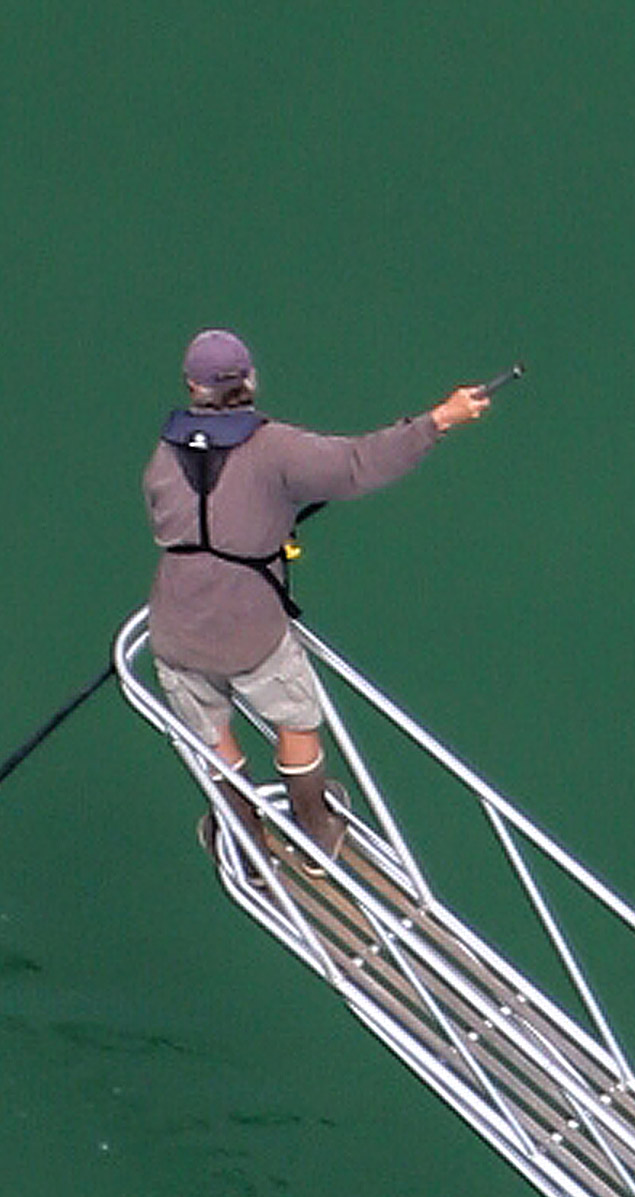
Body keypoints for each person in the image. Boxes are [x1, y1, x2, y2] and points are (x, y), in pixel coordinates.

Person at [145, 328, 491, 867]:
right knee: (296, 720)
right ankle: (315, 832)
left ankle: (244, 839)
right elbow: (358, 464)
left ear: (192, 387)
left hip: (173, 629)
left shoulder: (163, 457)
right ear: (249, 380)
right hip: (249, 634)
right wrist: (441, 419)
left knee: (211, 733)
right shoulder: (275, 447)